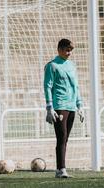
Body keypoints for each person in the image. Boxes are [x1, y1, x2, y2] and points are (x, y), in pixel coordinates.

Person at [43, 38, 84, 178]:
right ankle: (61, 170)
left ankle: (61, 169)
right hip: (59, 105)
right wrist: (49, 107)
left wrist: (80, 105)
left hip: (71, 106)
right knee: (61, 137)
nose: (69, 53)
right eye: (67, 50)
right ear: (59, 49)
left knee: (65, 139)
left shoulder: (72, 65)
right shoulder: (52, 66)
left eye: (70, 50)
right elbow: (47, 86)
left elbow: (76, 86)